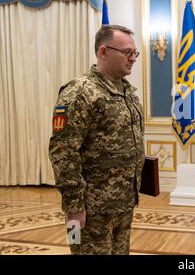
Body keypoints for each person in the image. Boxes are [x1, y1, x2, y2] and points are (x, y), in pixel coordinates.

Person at [49, 25, 145, 255]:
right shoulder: (78, 93)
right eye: (126, 52)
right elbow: (63, 153)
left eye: (135, 53)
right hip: (89, 211)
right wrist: (73, 207)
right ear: (103, 52)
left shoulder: (127, 91)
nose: (132, 59)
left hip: (123, 204)